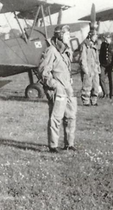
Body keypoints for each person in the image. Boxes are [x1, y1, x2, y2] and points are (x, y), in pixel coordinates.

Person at [38, 25, 77, 153]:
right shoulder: (51, 51)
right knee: (56, 118)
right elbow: (43, 72)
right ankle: (53, 146)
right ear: (60, 35)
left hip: (68, 89)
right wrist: (55, 85)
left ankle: (69, 144)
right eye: (66, 35)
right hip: (59, 90)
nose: (69, 37)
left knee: (71, 117)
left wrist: (69, 81)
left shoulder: (65, 51)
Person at [77, 28, 100, 106]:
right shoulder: (85, 45)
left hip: (94, 68)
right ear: (90, 36)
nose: (96, 37)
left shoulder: (95, 45)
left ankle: (94, 101)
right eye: (95, 35)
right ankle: (86, 101)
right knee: (87, 86)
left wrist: (97, 66)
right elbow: (82, 58)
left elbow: (97, 58)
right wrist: (85, 69)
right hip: (88, 68)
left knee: (96, 85)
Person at [99, 34, 113, 99]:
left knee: (111, 80)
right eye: (104, 39)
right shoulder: (103, 44)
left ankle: (112, 95)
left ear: (110, 38)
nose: (105, 40)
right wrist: (100, 63)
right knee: (101, 78)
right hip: (103, 65)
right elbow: (101, 55)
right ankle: (105, 93)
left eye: (106, 39)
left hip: (111, 65)